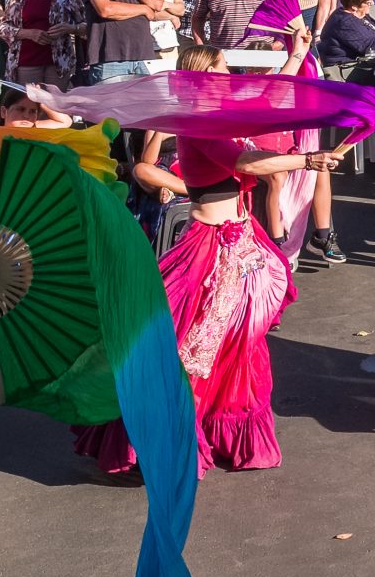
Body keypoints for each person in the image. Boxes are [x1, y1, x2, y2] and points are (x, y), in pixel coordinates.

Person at [75, 49, 334, 476]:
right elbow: (248, 162)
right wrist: (307, 160)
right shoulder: (197, 125)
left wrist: (300, 56)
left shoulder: (217, 120)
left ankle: (218, 436)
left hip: (243, 242)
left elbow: (264, 101)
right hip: (210, 249)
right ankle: (165, 437)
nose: (229, 74)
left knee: (237, 348)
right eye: (221, 69)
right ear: (202, 76)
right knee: (188, 346)